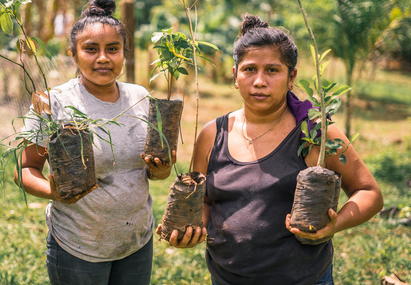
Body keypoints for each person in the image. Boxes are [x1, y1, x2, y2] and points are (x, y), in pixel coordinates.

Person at [161, 15, 383, 285]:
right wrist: (192, 229)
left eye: (273, 70)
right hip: (227, 278)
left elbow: (369, 193)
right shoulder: (212, 134)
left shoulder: (315, 133)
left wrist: (336, 224)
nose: (259, 81)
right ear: (235, 76)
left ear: (292, 77)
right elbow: (205, 201)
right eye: (249, 69)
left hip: (302, 278)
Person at [15, 0, 173, 285]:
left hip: (137, 242)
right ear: (73, 55)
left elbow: (155, 173)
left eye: (113, 49)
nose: (103, 58)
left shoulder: (140, 98)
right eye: (91, 49)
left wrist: (161, 169)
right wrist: (55, 193)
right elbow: (25, 169)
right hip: (78, 246)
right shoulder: (52, 102)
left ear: (125, 53)